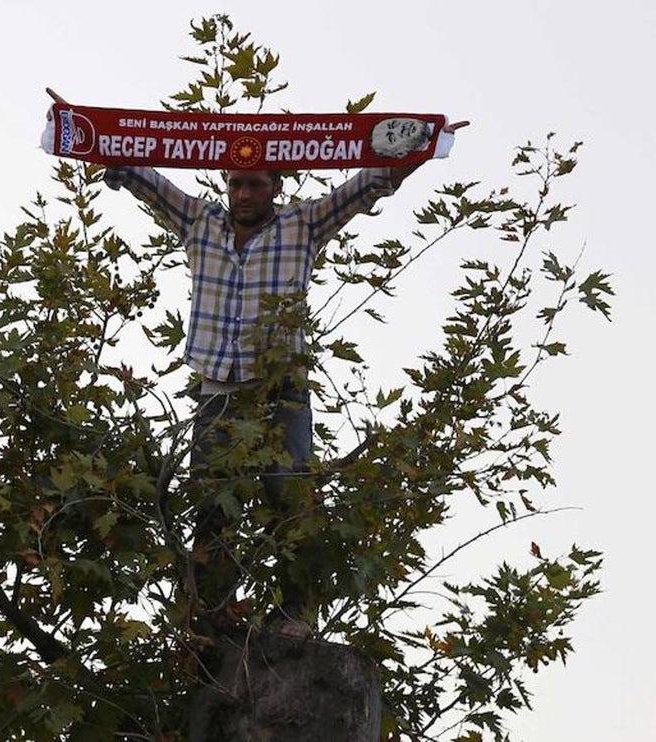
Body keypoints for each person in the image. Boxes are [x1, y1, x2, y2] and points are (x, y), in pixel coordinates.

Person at [100, 122, 467, 638]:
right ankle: (212, 613)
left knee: (289, 496)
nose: (244, 194)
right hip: (218, 391)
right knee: (212, 503)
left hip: (280, 391)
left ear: (276, 186)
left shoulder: (303, 225)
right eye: (236, 184)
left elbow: (367, 186)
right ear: (225, 185)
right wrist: (82, 128)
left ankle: (297, 613)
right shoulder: (199, 223)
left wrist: (422, 144)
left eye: (256, 184)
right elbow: (143, 177)